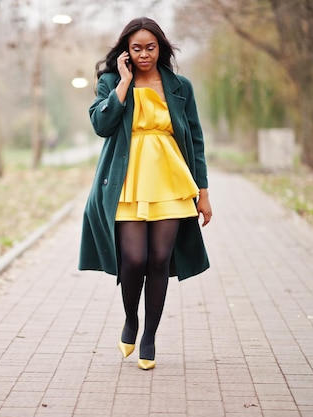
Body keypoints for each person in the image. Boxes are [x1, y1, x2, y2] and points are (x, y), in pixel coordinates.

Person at [78, 17, 212, 370]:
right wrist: (123, 84)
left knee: (158, 259)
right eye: (136, 48)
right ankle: (131, 320)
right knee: (134, 259)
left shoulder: (180, 86)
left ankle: (150, 335)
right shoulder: (110, 82)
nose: (143, 55)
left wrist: (204, 192)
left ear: (161, 48)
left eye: (150, 48)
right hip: (126, 182)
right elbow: (100, 125)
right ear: (126, 50)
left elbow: (195, 139)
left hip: (170, 180)